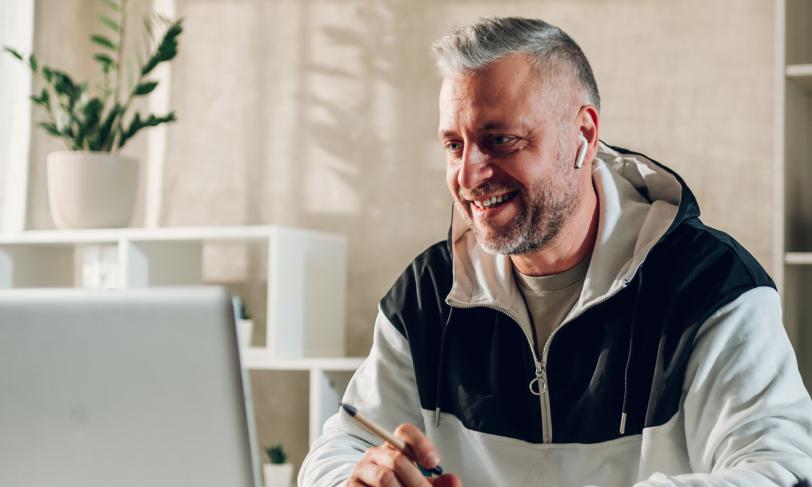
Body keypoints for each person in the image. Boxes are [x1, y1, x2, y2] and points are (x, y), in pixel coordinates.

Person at [299, 17, 812, 487]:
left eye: (500, 140)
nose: (468, 176)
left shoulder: (712, 285)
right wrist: (358, 479)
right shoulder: (428, 293)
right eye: (454, 145)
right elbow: (337, 450)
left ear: (584, 137)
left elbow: (781, 469)